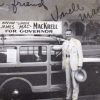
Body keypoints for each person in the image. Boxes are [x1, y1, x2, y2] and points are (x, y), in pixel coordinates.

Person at [52, 29, 83, 100]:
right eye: (67, 34)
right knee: (68, 82)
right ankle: (68, 97)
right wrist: (51, 46)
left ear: (71, 34)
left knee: (75, 83)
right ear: (65, 35)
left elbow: (80, 54)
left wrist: (80, 65)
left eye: (69, 34)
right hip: (66, 62)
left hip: (74, 64)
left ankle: (75, 98)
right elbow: (57, 48)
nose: (68, 35)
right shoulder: (65, 43)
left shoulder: (77, 42)